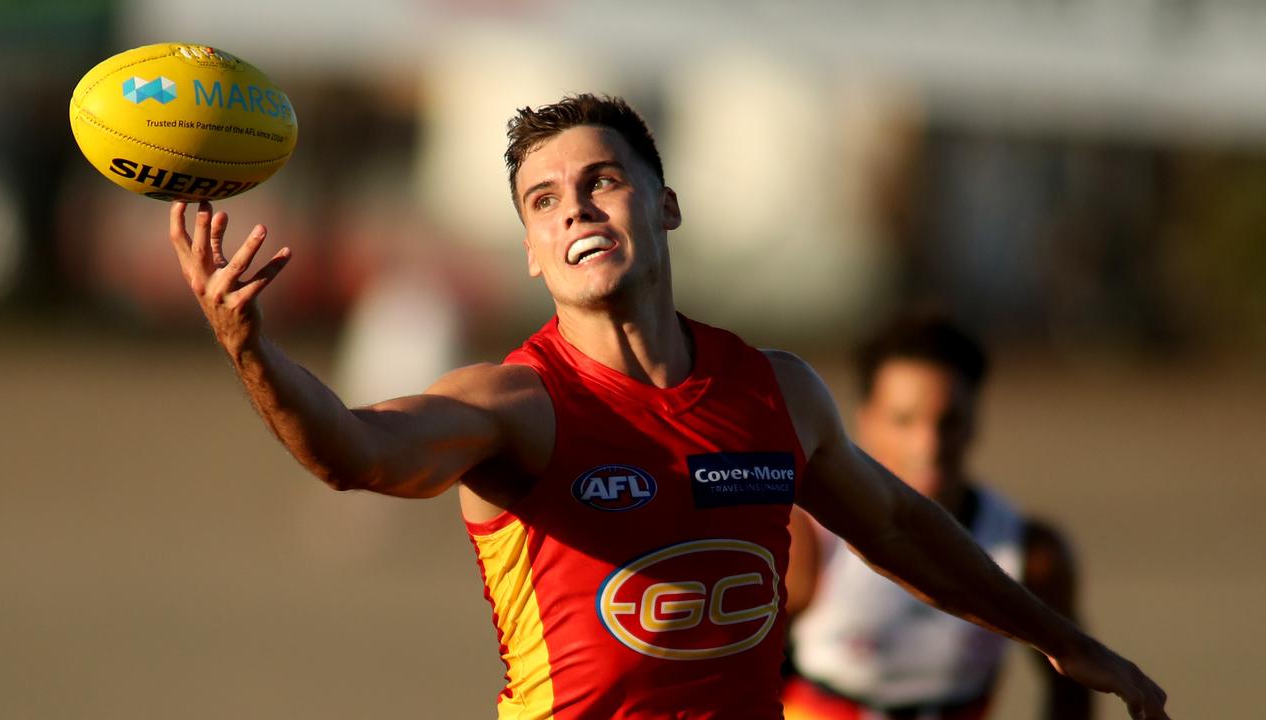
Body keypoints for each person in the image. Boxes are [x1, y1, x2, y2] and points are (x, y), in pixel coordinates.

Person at [165, 93, 1168, 720]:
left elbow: (900, 526)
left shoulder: (774, 391)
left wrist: (1055, 636)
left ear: (665, 203)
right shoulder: (517, 406)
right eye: (544, 202)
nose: (576, 212)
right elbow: (354, 452)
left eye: (602, 182)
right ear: (529, 249)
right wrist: (249, 348)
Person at [782, 313, 1090, 720]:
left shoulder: (1029, 552)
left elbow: (1072, 688)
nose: (929, 444)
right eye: (904, 420)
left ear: (976, 419)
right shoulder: (807, 539)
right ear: (864, 420)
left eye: (949, 421)